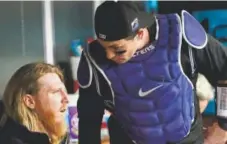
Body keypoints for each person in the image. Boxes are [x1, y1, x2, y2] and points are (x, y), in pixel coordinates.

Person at [77, 1, 227, 144]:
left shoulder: (180, 35)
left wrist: (223, 126)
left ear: (140, 33)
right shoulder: (94, 59)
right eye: (104, 48)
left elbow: (224, 69)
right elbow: (88, 120)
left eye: (118, 49)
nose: (109, 56)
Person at [0, 62, 70, 144]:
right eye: (56, 92)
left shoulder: (61, 138)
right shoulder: (11, 140)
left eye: (65, 91)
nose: (66, 99)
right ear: (29, 101)